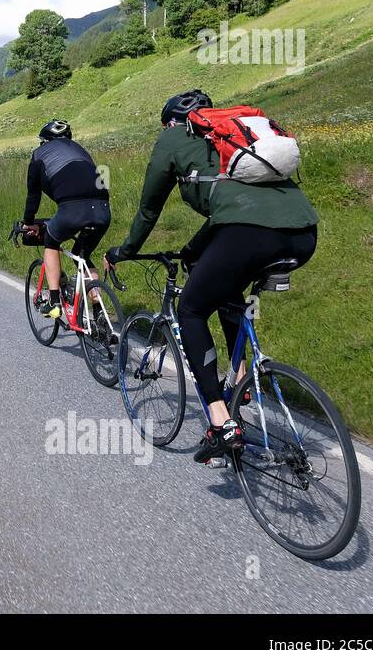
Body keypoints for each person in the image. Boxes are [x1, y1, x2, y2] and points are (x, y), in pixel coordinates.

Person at [104, 90, 319, 463]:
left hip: (247, 233)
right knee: (227, 291)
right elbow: (228, 209)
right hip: (303, 233)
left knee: (191, 308)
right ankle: (239, 383)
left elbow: (149, 208)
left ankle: (221, 424)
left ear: (170, 122)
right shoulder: (235, 137)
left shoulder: (173, 137)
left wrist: (125, 250)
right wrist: (192, 250)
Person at [23, 120, 111, 318]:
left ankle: (54, 302)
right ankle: (99, 312)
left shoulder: (39, 154)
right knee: (82, 254)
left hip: (72, 208)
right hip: (102, 208)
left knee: (51, 242)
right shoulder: (80, 150)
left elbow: (33, 195)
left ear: (45, 141)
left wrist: (29, 222)